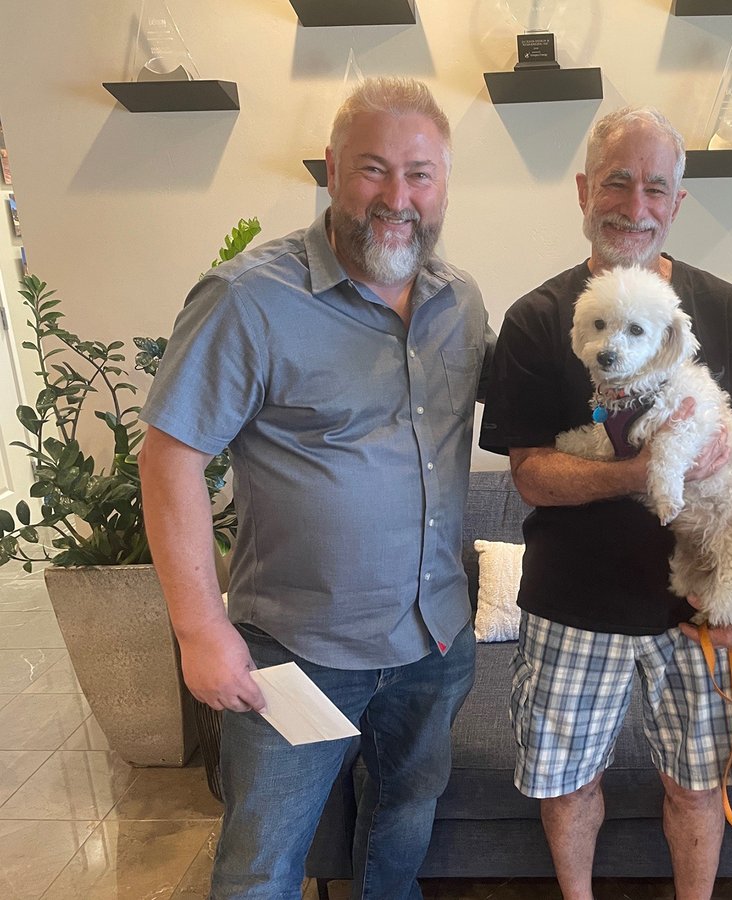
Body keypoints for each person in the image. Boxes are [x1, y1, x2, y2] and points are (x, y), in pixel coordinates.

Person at [139, 77, 493, 899]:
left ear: (444, 184)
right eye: (373, 169)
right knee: (263, 863)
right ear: (331, 170)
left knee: (402, 824)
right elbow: (169, 458)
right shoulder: (250, 298)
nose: (397, 197)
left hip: (434, 644)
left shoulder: (460, 300)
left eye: (420, 174)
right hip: (296, 653)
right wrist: (199, 629)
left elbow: (532, 400)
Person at [478, 106, 732, 900]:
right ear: (585, 189)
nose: (635, 203)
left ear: (678, 202)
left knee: (697, 785)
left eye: (656, 186)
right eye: (617, 181)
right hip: (571, 603)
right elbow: (528, 472)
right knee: (564, 782)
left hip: (694, 608)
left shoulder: (722, 310)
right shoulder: (536, 319)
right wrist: (639, 471)